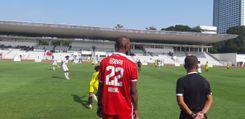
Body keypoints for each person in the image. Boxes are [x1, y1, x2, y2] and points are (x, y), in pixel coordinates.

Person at [97, 36, 139, 119]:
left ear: (115, 46)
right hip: (125, 109)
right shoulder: (132, 65)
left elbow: (100, 87)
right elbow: (133, 91)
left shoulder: (104, 62)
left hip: (107, 108)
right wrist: (136, 109)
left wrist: (99, 105)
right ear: (127, 46)